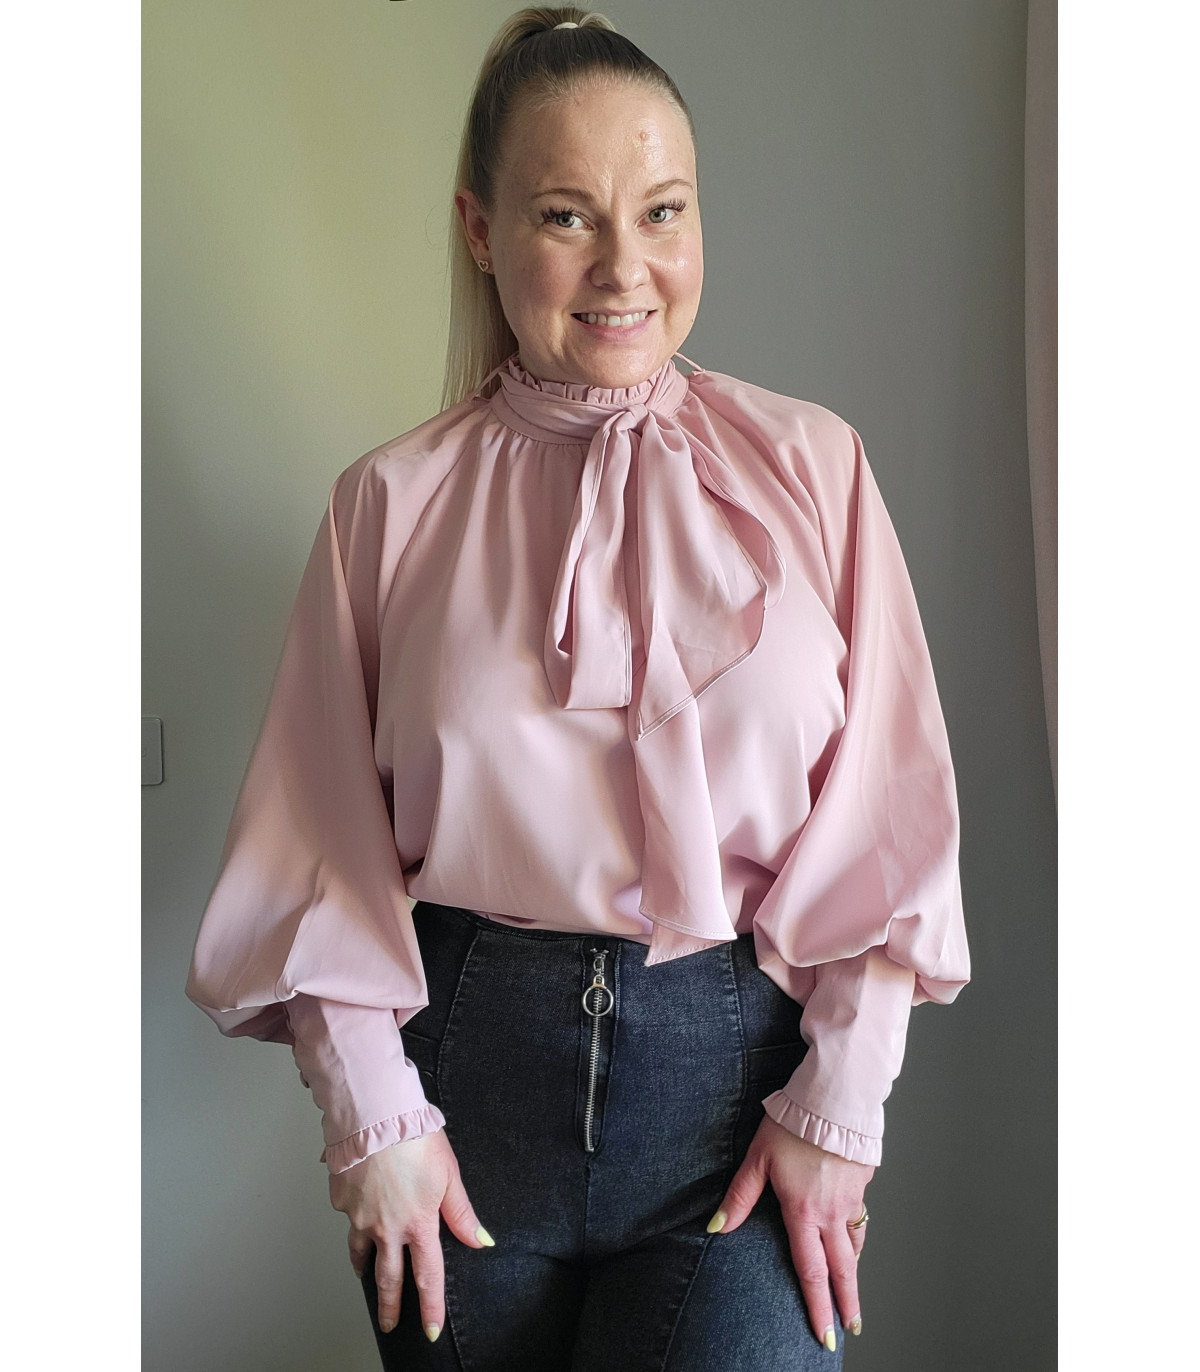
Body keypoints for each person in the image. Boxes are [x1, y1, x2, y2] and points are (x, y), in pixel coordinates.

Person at [186, 8, 970, 1370]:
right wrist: (374, 1123)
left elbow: (889, 827)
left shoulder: (818, 471)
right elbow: (314, 855)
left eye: (663, 211)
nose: (625, 267)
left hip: (739, 1102)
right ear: (481, 229)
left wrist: (840, 1107)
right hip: (462, 1111)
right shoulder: (388, 507)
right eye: (567, 216)